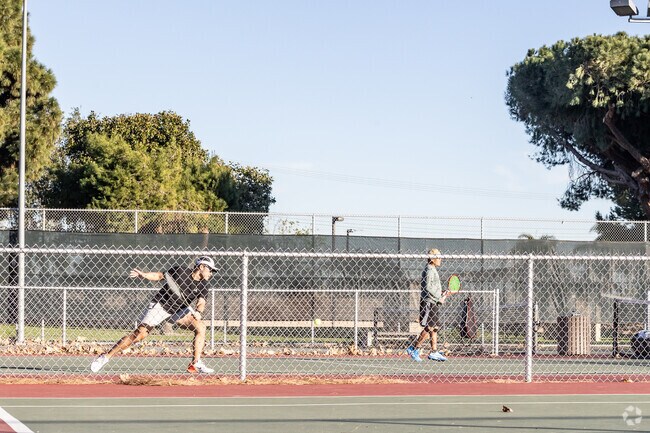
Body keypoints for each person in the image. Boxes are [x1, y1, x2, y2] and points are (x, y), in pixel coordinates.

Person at [90, 256, 218, 374]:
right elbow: (159, 276)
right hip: (160, 306)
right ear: (201, 267)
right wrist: (144, 275)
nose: (211, 273)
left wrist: (199, 312)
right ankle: (105, 357)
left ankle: (195, 363)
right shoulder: (180, 271)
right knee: (139, 335)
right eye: (210, 270)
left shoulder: (204, 284)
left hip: (180, 310)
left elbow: (201, 302)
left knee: (200, 327)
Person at [406, 248, 448, 362]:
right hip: (428, 302)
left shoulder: (432, 269)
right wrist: (439, 297)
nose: (440, 259)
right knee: (428, 327)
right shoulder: (429, 270)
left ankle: (434, 352)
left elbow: (432, 287)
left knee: (434, 328)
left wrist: (441, 294)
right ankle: (413, 348)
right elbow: (428, 288)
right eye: (438, 257)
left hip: (433, 301)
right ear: (432, 259)